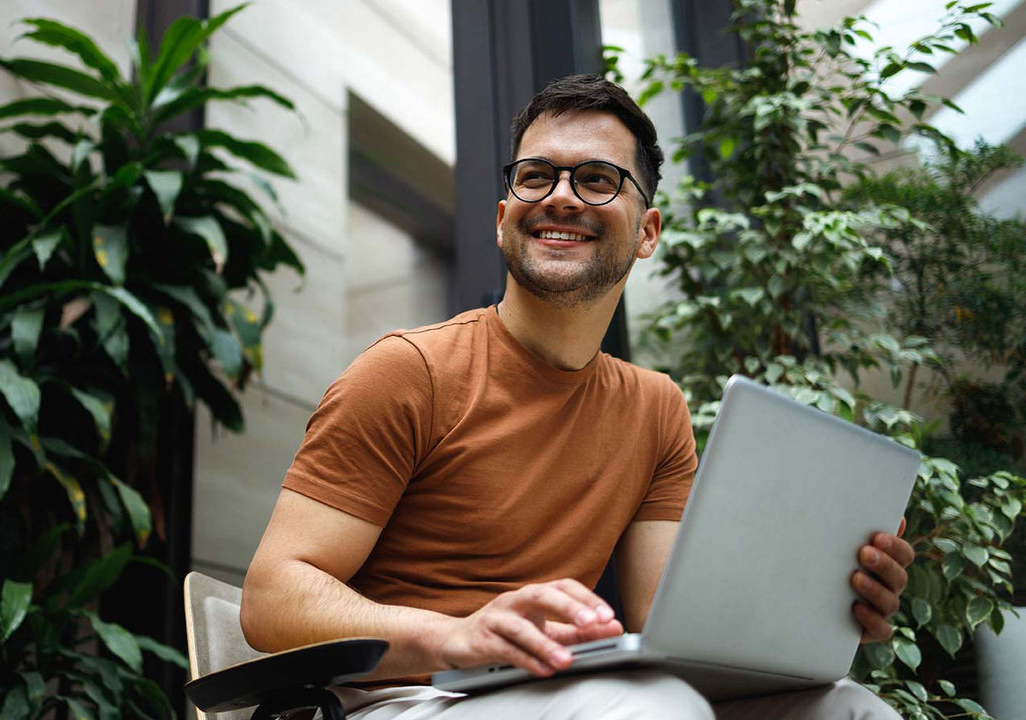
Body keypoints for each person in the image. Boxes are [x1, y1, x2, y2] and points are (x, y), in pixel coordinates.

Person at [240, 74, 913, 719]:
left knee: (848, 707)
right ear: (506, 220)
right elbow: (270, 599)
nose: (561, 196)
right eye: (537, 176)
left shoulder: (656, 409)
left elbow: (667, 628)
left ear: (648, 232)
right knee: (657, 710)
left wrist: (826, 604)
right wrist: (454, 635)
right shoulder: (408, 371)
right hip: (396, 698)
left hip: (555, 692)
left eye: (597, 180)